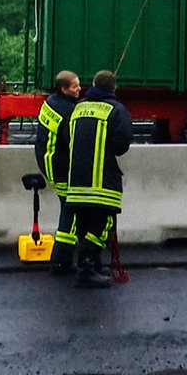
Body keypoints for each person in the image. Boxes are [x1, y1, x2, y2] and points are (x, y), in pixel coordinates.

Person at [66, 70, 133, 288]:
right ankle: (86, 269)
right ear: (114, 88)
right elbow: (121, 146)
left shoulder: (78, 108)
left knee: (83, 226)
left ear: (93, 84)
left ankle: (93, 265)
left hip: (76, 183)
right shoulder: (117, 110)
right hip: (102, 184)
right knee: (100, 228)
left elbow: (68, 138)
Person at [34, 70, 82, 274]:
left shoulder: (51, 102)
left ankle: (62, 257)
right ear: (64, 89)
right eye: (75, 86)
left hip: (47, 160)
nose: (79, 88)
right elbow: (73, 141)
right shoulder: (68, 112)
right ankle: (62, 260)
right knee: (70, 209)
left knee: (68, 207)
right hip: (59, 166)